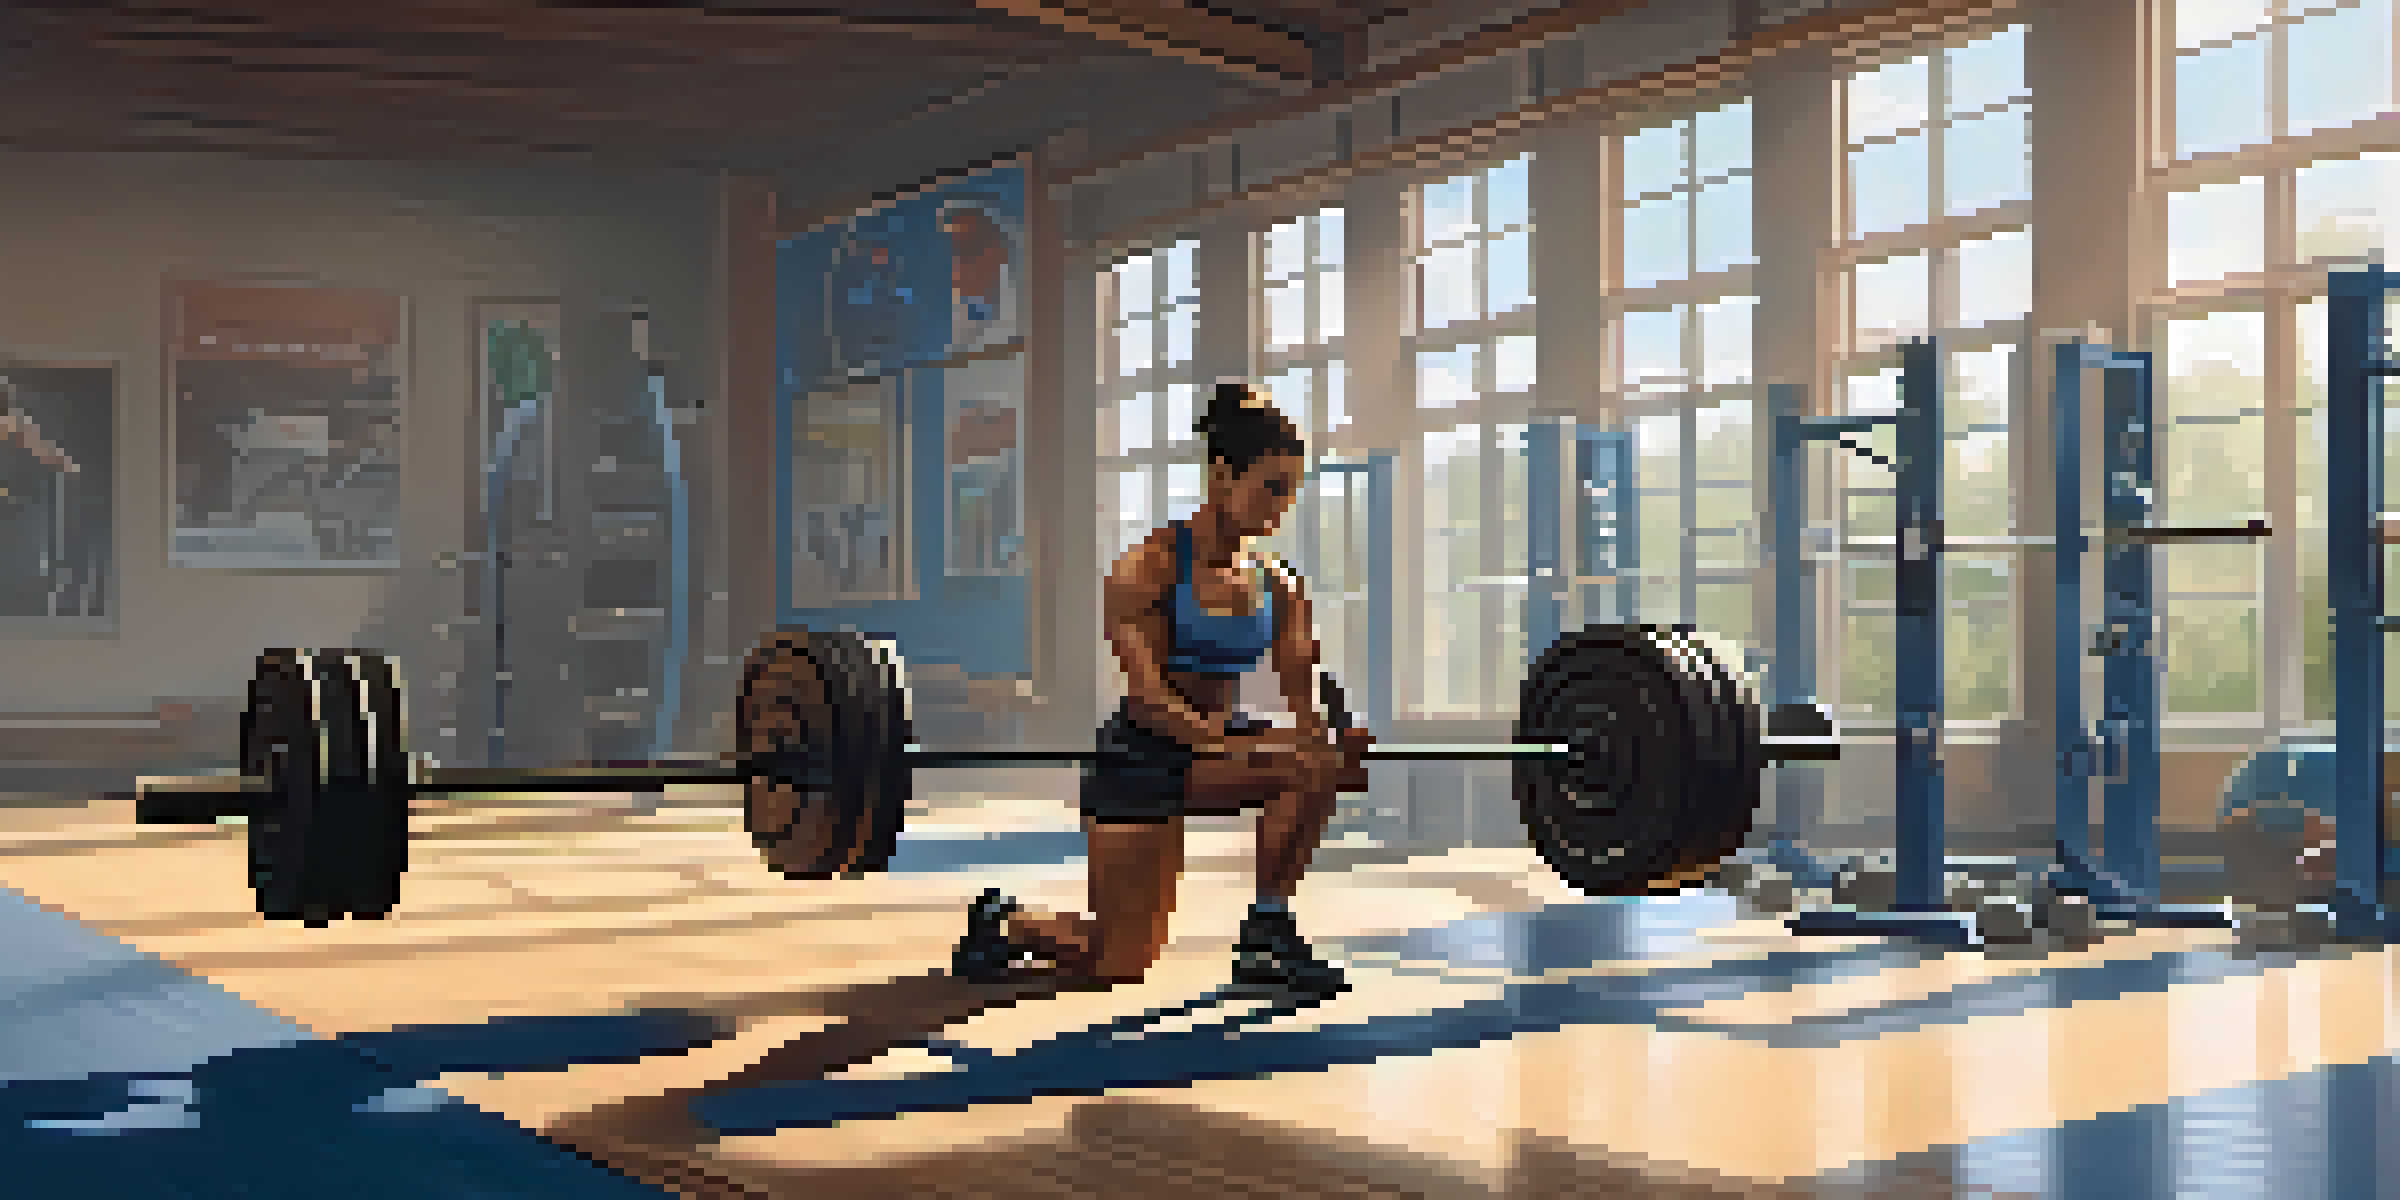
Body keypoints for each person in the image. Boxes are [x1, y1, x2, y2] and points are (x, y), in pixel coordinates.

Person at [953, 382, 1371, 997]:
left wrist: (1332, 744)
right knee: (1119, 962)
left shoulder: (1277, 583)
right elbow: (1150, 701)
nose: (1280, 506)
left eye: (1290, 491)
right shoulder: (1147, 568)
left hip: (1217, 750)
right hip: (1142, 758)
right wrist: (1239, 745)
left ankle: (1268, 932)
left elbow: (1302, 698)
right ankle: (1007, 922)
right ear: (1222, 475)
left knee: (1315, 764)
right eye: (1270, 487)